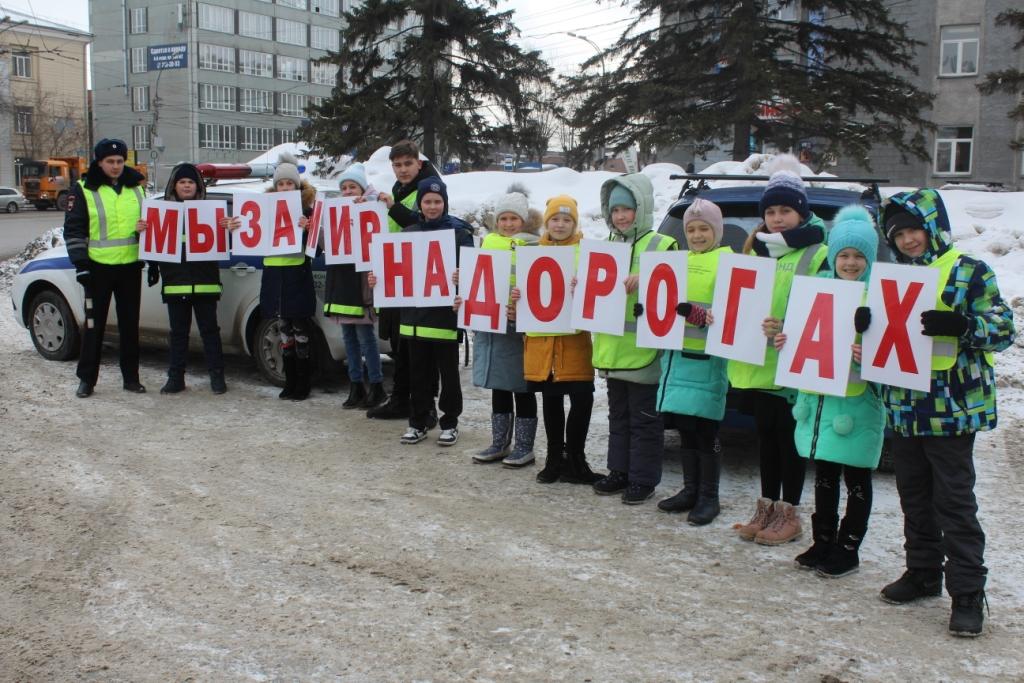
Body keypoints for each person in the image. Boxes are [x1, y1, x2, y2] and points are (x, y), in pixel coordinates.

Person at [871, 189, 1015, 637]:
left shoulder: (969, 270)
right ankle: (923, 571)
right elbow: (882, 338)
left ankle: (968, 593)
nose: (908, 240)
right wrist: (865, 323)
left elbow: (1004, 327)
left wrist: (965, 325)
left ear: (932, 227)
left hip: (952, 408)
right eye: (898, 234)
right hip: (906, 406)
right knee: (913, 496)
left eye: (914, 229)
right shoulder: (892, 277)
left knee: (953, 500)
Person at [773, 205, 885, 577]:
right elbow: (805, 340)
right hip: (820, 405)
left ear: (869, 259)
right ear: (833, 256)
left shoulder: (880, 299)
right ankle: (823, 541)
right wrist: (786, 341)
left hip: (856, 407)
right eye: (844, 255)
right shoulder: (817, 292)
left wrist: (867, 356)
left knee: (856, 479)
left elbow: (896, 358)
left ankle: (848, 548)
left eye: (858, 256)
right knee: (823, 475)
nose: (850, 263)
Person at [729, 159, 828, 545]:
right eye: (770, 211)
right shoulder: (757, 253)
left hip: (794, 365)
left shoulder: (818, 253)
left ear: (801, 212)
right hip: (760, 365)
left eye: (785, 210)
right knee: (766, 437)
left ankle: (790, 512)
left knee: (790, 440)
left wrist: (789, 327)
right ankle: (767, 507)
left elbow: (827, 307)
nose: (777, 218)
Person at [590, 174, 678, 505]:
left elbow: (674, 289)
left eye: (627, 209)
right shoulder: (606, 247)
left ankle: (643, 479)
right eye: (615, 211)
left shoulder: (663, 245)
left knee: (645, 422)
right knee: (619, 417)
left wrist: (650, 277)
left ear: (641, 209)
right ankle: (620, 471)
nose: (621, 216)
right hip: (613, 351)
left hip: (645, 351)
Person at [369, 176, 474, 446]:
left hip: (444, 319)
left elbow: (473, 276)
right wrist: (377, 279)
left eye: (438, 201)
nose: (432, 206)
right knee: (418, 376)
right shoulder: (409, 233)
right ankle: (418, 422)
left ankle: (450, 422)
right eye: (427, 201)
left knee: (449, 376)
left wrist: (462, 277)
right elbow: (396, 273)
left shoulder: (460, 234)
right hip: (413, 320)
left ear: (445, 203)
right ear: (420, 203)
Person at [511, 195, 601, 485]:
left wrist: (585, 288)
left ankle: (576, 458)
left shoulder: (587, 252)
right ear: (546, 222)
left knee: (582, 398)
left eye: (567, 219)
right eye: (555, 219)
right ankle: (554, 459)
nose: (560, 224)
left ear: (574, 223)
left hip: (575, 342)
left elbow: (601, 295)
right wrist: (515, 298)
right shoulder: (531, 252)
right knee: (551, 400)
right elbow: (518, 297)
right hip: (543, 342)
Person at [653, 198, 731, 526]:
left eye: (704, 229)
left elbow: (734, 314)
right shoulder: (677, 262)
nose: (697, 235)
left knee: (705, 430)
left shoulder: (728, 263)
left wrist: (701, 316)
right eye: (691, 229)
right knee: (685, 429)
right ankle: (690, 490)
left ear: (717, 232)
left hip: (708, 362)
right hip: (678, 361)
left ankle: (709, 497)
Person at [457, 190, 541, 467]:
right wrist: (463, 278)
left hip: (519, 328)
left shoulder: (534, 246)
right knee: (499, 386)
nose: (507, 223)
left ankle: (524, 446)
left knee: (522, 387)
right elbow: (481, 280)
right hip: (492, 326)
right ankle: (499, 442)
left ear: (524, 220)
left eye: (513, 218)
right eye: (503, 218)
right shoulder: (489, 243)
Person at [227, 152, 316, 400]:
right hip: (274, 277)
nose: (285, 188)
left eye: (290, 184)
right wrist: (235, 226)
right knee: (282, 330)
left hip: (297, 276)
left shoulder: (307, 211)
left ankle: (303, 382)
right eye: (281, 184)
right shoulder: (263, 210)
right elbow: (247, 234)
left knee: (301, 332)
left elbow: (318, 247)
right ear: (275, 187)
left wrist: (308, 228)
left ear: (297, 186)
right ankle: (290, 382)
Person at [64, 138, 148, 398]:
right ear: (99, 163)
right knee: (93, 326)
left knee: (130, 326)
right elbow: (74, 230)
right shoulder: (83, 189)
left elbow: (149, 225)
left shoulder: (137, 188)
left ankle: (131, 378)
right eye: (110, 162)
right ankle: (87, 380)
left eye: (120, 161)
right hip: (97, 269)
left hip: (130, 267)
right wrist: (81, 267)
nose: (115, 166)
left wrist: (143, 238)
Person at [368, 140, 443, 421]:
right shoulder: (399, 190)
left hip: (419, 279)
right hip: (396, 276)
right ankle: (401, 399)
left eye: (407, 164)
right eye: (397, 165)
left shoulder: (429, 188)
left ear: (418, 164)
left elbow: (424, 223)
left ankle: (427, 405)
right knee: (399, 343)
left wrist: (391, 207)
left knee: (421, 346)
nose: (402, 169)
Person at [143, 163, 229, 395]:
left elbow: (229, 242)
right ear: (175, 186)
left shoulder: (211, 211)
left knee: (210, 332)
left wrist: (228, 227)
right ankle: (176, 379)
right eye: (182, 182)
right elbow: (152, 243)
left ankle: (217, 377)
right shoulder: (163, 212)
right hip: (175, 282)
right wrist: (142, 235)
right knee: (178, 334)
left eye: (191, 182)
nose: (187, 185)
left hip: (206, 282)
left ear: (197, 186)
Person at [322, 163, 386, 410]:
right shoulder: (335, 212)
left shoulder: (372, 209)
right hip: (341, 280)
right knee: (348, 336)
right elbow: (325, 244)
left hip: (361, 282)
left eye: (353, 186)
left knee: (365, 337)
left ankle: (377, 386)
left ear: (362, 188)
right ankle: (356, 384)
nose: (348, 191)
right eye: (344, 188)